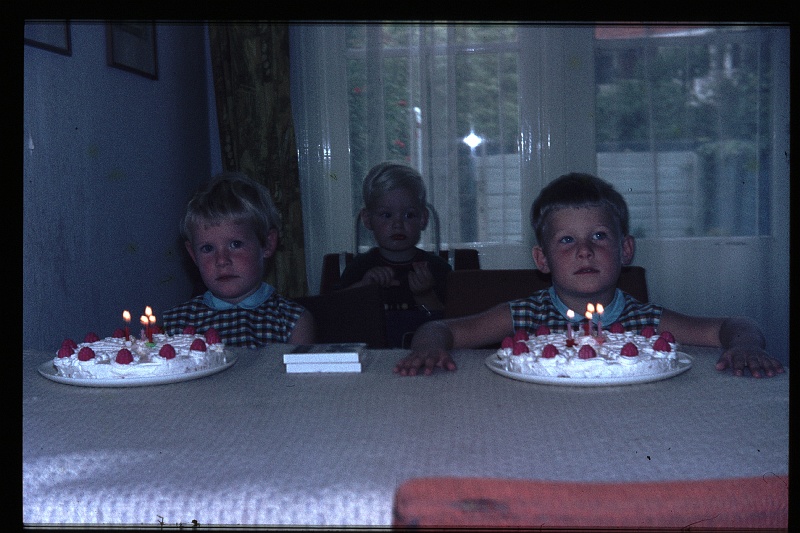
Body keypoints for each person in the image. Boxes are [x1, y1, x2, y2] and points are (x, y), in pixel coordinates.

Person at [394, 172, 784, 378]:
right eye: (566, 240)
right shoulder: (522, 316)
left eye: (599, 236)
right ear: (541, 259)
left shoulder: (643, 321)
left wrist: (744, 346)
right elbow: (442, 329)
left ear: (625, 250)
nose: (584, 250)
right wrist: (429, 347)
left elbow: (733, 325)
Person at [163, 172, 315, 347]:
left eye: (235, 244)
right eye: (207, 248)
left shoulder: (293, 321)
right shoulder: (177, 324)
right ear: (193, 254)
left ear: (267, 243)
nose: (221, 260)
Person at [337, 162, 452, 347]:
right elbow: (335, 319)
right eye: (386, 215)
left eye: (409, 215)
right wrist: (363, 288)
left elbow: (454, 326)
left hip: (425, 360)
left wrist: (425, 295)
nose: (398, 224)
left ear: (423, 218)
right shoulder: (358, 268)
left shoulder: (438, 268)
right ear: (367, 219)